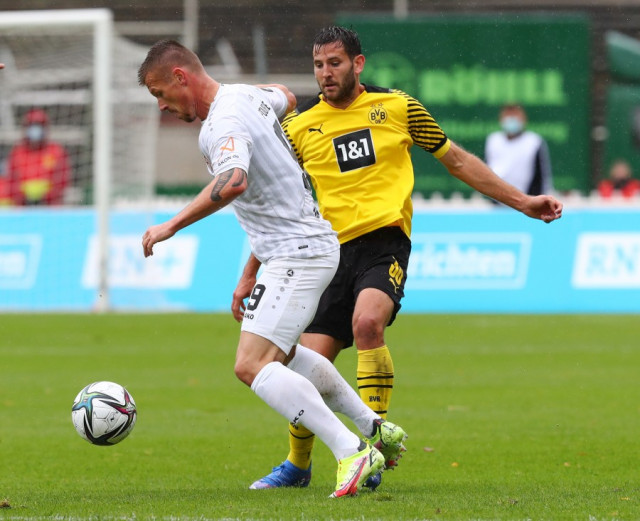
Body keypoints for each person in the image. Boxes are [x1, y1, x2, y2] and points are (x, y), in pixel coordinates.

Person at [232, 25, 563, 491]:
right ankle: (297, 464)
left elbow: (457, 161)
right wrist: (249, 273)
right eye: (319, 65)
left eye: (335, 63)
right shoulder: (298, 126)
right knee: (307, 361)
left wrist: (523, 201)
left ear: (358, 63)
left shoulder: (399, 107)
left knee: (368, 323)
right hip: (324, 253)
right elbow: (283, 207)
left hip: (384, 242)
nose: (326, 73)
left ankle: (373, 449)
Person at [137, 39, 408, 498]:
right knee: (284, 357)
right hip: (302, 247)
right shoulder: (244, 96)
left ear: (181, 77)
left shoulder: (222, 122)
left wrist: (171, 225)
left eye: (160, 93)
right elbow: (284, 94)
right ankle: (375, 428)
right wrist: (249, 273)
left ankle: (351, 451)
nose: (161, 105)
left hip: (296, 253)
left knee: (251, 365)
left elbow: (233, 180)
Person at [4, 108, 71, 205]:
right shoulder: (17, 152)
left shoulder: (56, 151)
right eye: (32, 126)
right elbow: (10, 181)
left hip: (51, 206)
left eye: (39, 126)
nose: (35, 130)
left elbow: (63, 180)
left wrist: (46, 196)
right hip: (22, 207)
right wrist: (23, 197)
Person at [485, 104, 553, 196]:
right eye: (508, 116)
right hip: (496, 200)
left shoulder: (534, 141)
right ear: (501, 119)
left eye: (515, 116)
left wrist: (535, 198)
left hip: (527, 199)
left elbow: (542, 176)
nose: (511, 120)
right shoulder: (493, 140)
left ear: (524, 119)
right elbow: (487, 170)